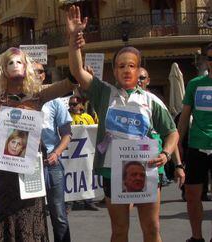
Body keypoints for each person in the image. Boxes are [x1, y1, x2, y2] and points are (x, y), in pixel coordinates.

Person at [66, 6, 179, 242]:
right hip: (111, 170)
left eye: (131, 65)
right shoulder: (103, 92)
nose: (126, 69)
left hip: (148, 168)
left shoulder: (151, 100)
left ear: (139, 70)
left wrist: (167, 154)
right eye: (121, 66)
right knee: (119, 232)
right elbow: (77, 71)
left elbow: (172, 132)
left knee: (152, 230)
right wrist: (74, 40)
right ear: (114, 70)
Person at [0, 47, 77, 241]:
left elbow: (71, 81)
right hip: (6, 169)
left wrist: (75, 42)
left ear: (27, 67)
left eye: (19, 61)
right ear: (3, 69)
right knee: (5, 217)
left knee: (31, 215)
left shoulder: (39, 94)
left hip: (31, 166)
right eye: (10, 62)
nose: (15, 65)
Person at [34, 62, 72, 242]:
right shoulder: (19, 99)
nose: (36, 74)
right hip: (29, 166)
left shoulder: (55, 101)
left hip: (52, 164)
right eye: (32, 71)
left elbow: (66, 134)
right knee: (33, 215)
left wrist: (56, 153)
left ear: (44, 75)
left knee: (58, 214)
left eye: (39, 71)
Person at [178, 43, 212, 242]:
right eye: (210, 57)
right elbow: (184, 118)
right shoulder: (194, 84)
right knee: (192, 195)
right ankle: (196, 237)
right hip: (197, 146)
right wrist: (178, 143)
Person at [68, 94, 99, 211]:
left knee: (87, 175)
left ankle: (88, 201)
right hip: (71, 153)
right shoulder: (66, 116)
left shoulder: (87, 117)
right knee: (71, 175)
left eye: (74, 104)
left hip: (85, 152)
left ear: (80, 105)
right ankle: (70, 202)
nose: (71, 106)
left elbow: (94, 131)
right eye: (70, 104)